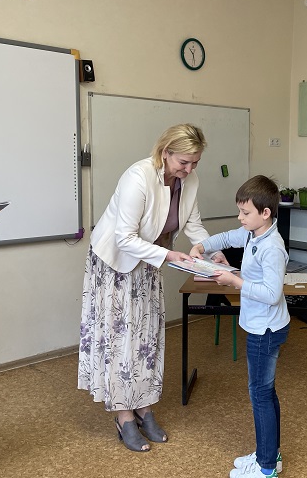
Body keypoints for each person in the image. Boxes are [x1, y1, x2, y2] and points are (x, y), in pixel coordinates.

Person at [78, 123, 224, 452]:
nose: (189, 170)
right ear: (165, 152)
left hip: (149, 262)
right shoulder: (138, 177)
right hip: (115, 263)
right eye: (183, 162)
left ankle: (144, 408)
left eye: (195, 162)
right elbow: (124, 238)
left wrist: (212, 251)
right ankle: (124, 416)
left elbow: (193, 224)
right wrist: (169, 254)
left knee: (147, 338)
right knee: (120, 340)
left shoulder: (190, 180)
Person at [190, 175, 290, 478]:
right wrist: (203, 246)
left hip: (265, 330)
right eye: (239, 211)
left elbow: (272, 293)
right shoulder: (253, 234)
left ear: (265, 213)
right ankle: (270, 456)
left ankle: (265, 471)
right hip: (262, 326)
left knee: (260, 395)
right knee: (266, 393)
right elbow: (227, 237)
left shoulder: (271, 247)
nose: (240, 217)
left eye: (245, 212)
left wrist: (234, 281)